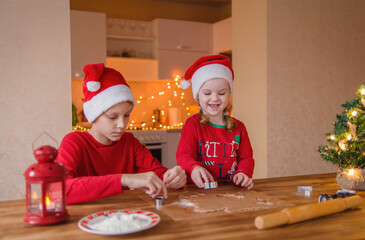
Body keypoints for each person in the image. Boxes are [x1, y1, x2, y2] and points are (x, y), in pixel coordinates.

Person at [56, 63, 186, 204]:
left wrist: (172, 178)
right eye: (112, 117)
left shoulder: (129, 142)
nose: (121, 125)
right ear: (93, 115)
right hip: (85, 221)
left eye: (126, 115)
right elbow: (59, 190)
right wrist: (123, 179)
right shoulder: (73, 142)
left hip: (123, 217)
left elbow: (157, 174)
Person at [176, 55, 254, 189]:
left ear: (229, 94)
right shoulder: (193, 124)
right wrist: (194, 168)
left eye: (222, 93)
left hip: (230, 190)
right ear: (197, 95)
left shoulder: (239, 127)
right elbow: (184, 156)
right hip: (198, 190)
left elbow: (246, 158)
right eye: (207, 93)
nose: (215, 98)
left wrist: (243, 173)